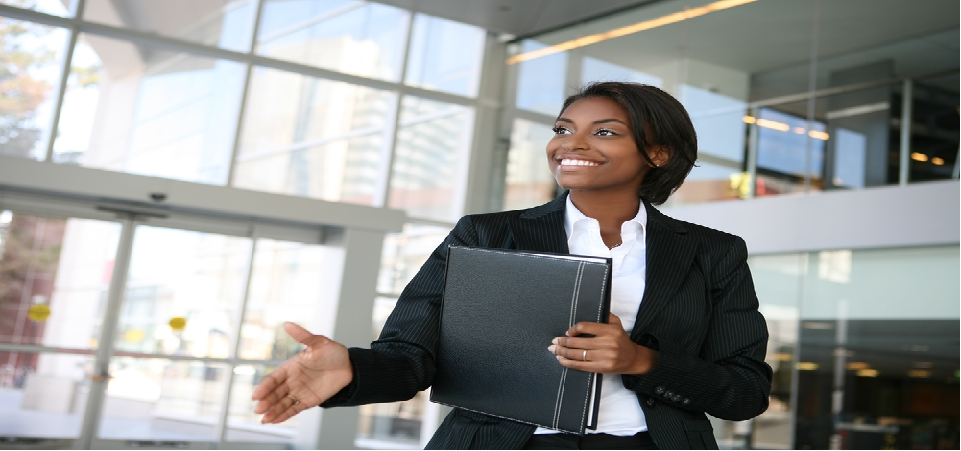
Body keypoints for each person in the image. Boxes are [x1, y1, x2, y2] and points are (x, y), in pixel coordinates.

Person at [252, 82, 773, 449]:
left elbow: (745, 392)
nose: (571, 143)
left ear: (657, 153)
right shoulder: (486, 235)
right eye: (564, 128)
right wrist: (353, 370)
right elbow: (411, 355)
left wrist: (641, 361)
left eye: (604, 132)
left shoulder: (713, 252)